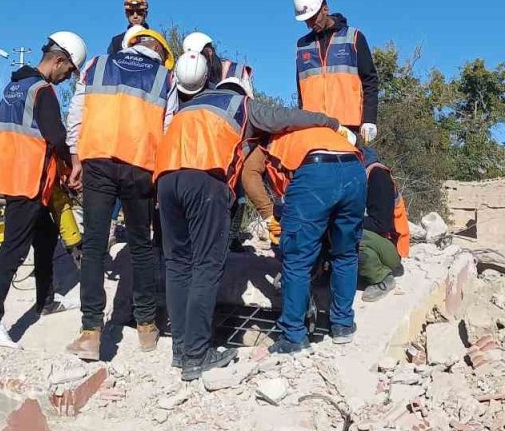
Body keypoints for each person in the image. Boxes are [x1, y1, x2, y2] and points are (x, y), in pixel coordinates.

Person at [156, 66, 341, 380]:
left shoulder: (191, 107)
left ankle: (181, 350)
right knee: (206, 266)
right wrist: (329, 121)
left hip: (166, 180)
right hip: (205, 179)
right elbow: (286, 117)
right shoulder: (241, 105)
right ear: (243, 92)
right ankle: (198, 356)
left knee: (177, 265)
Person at [65, 25, 177, 360]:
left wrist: (75, 159)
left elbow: (76, 115)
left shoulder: (96, 65)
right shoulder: (163, 78)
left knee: (96, 244)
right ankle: (146, 328)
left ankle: (91, 332)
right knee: (141, 246)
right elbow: (168, 127)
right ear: (159, 52)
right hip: (140, 166)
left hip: (97, 159)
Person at [0, 32, 87, 349]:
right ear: (59, 60)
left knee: (47, 235)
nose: (67, 78)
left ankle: (46, 301)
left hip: (12, 176)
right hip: (28, 180)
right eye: (68, 71)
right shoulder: (43, 91)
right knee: (13, 250)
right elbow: (58, 138)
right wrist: (75, 165)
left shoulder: (14, 88)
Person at [258, 120, 364, 354]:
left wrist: (279, 219)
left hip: (316, 172)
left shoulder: (273, 140)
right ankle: (343, 325)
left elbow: (280, 187)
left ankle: (294, 335)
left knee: (296, 259)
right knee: (346, 253)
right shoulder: (320, 130)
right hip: (355, 169)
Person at [292, 0, 379, 142]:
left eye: (312, 18)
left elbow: (370, 81)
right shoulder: (302, 46)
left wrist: (369, 119)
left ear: (325, 9)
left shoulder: (354, 37)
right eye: (306, 21)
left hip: (350, 129)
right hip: (314, 129)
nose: (310, 24)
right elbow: (301, 94)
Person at [358, 147, 410, 302]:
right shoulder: (361, 176)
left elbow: (381, 224)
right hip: (378, 241)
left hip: (391, 247)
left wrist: (344, 219)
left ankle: (381, 277)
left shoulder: (378, 177)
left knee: (349, 234)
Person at [181, 31, 253, 91]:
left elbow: (246, 104)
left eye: (199, 59)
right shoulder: (195, 81)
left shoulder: (238, 72)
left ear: (209, 52)